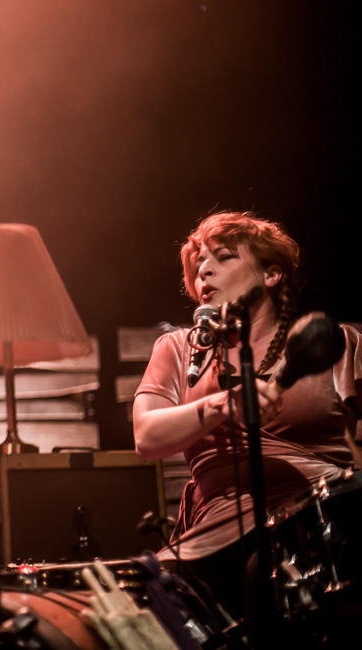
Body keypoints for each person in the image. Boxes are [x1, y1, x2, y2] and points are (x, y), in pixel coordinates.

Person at [132, 211, 361, 620]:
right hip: (217, 535)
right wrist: (224, 404)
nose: (204, 270)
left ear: (271, 276)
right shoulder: (178, 349)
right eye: (198, 262)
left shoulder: (337, 342)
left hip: (323, 527)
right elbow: (148, 437)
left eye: (222, 258)